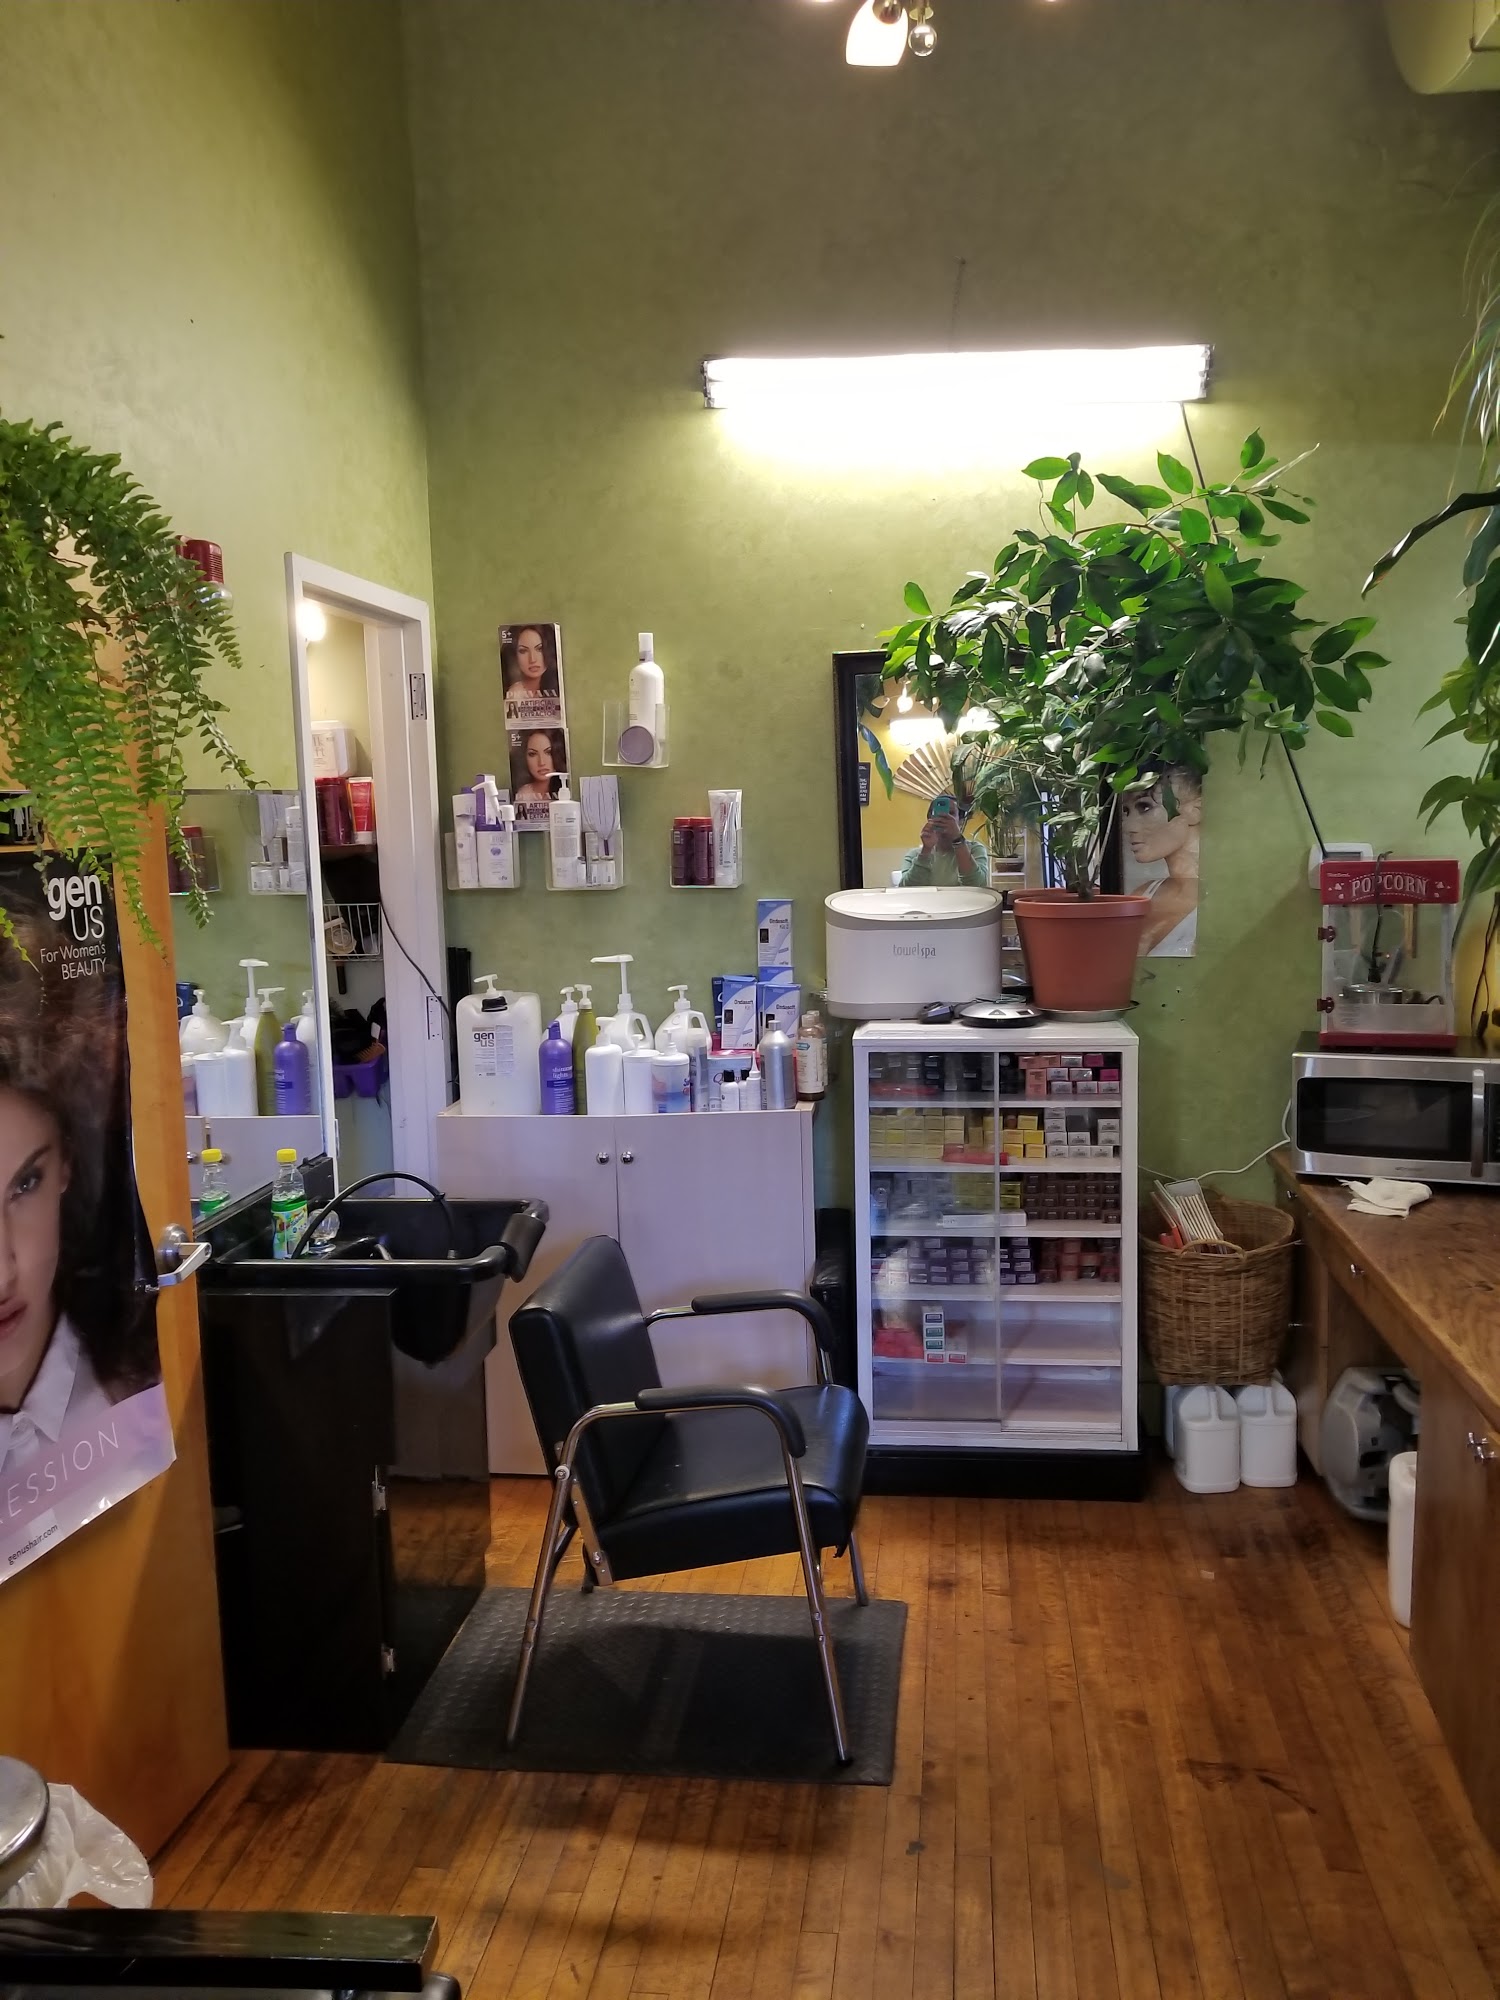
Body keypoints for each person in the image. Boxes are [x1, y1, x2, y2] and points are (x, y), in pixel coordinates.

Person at [1121, 765, 1202, 955]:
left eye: (1145, 807)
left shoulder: (1226, 900)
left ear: (1195, 810)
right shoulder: (1141, 895)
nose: (1128, 826)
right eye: (1126, 811)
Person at [899, 799, 991, 888]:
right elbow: (907, 889)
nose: (945, 817)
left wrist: (957, 839)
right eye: (938, 813)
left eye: (951, 813)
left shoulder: (975, 850)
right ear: (930, 819)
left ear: (960, 821)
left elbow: (977, 885)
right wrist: (926, 850)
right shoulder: (914, 855)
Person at [501, 624, 563, 724]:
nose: (532, 659)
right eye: (523, 651)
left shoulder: (561, 689)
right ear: (514, 655)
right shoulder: (510, 695)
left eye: (539, 649)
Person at [509, 727, 568, 809]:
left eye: (548, 752)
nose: (541, 762)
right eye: (532, 754)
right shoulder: (523, 795)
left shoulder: (568, 789)